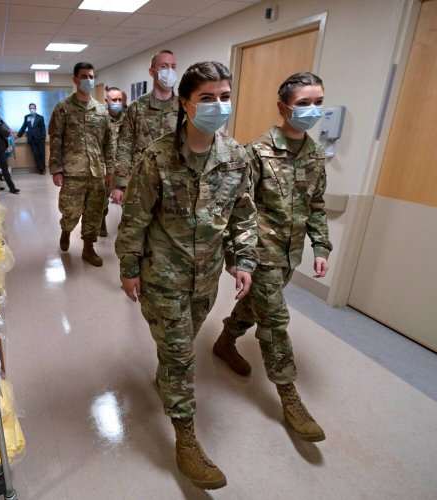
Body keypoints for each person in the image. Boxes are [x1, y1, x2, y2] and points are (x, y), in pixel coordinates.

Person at [115, 61, 258, 490]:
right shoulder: (157, 157)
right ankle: (186, 440)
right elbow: (135, 219)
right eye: (208, 98)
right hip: (162, 274)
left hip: (206, 277)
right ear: (186, 104)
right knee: (181, 355)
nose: (219, 105)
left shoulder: (236, 157)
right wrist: (128, 267)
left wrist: (242, 259)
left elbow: (243, 215)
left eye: (225, 97)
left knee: (184, 342)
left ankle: (167, 376)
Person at [215, 72, 332, 442]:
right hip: (260, 252)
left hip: (289, 254)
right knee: (276, 321)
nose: (311, 110)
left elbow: (316, 204)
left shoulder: (315, 154)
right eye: (303, 103)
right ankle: (289, 397)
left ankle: (224, 341)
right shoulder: (258, 151)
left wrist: (322, 246)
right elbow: (239, 207)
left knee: (255, 308)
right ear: (283, 108)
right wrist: (239, 258)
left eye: (317, 102)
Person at [48, 62, 114, 266]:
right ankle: (66, 230)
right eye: (84, 76)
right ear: (75, 79)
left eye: (91, 77)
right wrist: (56, 169)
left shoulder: (102, 110)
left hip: (96, 172)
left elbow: (108, 142)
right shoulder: (63, 109)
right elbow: (56, 139)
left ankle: (88, 248)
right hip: (72, 170)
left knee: (94, 212)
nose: (89, 80)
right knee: (71, 210)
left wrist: (110, 169)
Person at [111, 49, 180, 205]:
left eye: (173, 66)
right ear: (152, 71)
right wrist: (119, 184)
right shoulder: (136, 108)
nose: (170, 71)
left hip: (175, 184)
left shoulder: (184, 107)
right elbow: (124, 147)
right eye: (164, 66)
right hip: (139, 183)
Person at [99, 86, 126, 237]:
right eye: (114, 100)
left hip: (123, 165)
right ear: (107, 101)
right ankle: (102, 222)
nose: (117, 102)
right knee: (102, 199)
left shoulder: (128, 120)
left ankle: (126, 228)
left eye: (120, 100)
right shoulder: (100, 119)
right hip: (105, 166)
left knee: (127, 200)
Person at [0, 97, 19, 194]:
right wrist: (7, 133)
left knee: (0, 166)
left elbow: (2, 125)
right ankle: (11, 187)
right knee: (3, 166)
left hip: (1, 145)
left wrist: (8, 131)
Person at [17, 102, 47, 175]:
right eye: (31, 108)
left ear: (35, 108)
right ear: (29, 109)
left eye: (33, 108)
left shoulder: (40, 117)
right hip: (31, 139)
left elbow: (43, 128)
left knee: (41, 154)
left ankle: (43, 169)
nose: (32, 109)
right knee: (36, 155)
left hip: (40, 139)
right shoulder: (27, 117)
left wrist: (43, 138)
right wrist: (18, 135)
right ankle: (40, 169)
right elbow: (24, 126)